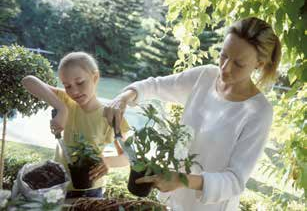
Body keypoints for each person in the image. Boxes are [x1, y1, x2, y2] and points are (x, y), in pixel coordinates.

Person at [103, 17, 281, 210]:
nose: (225, 67)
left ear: (259, 64)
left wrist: (182, 180)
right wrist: (123, 98)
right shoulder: (205, 77)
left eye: (238, 64)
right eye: (223, 55)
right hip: (172, 202)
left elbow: (235, 180)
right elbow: (155, 86)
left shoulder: (259, 112)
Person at [22, 52, 130, 198]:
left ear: (95, 77)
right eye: (67, 86)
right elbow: (28, 81)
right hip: (57, 185)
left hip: (90, 190)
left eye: (80, 83)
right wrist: (61, 108)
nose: (74, 91)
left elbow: (128, 156)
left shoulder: (111, 115)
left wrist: (108, 162)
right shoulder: (66, 101)